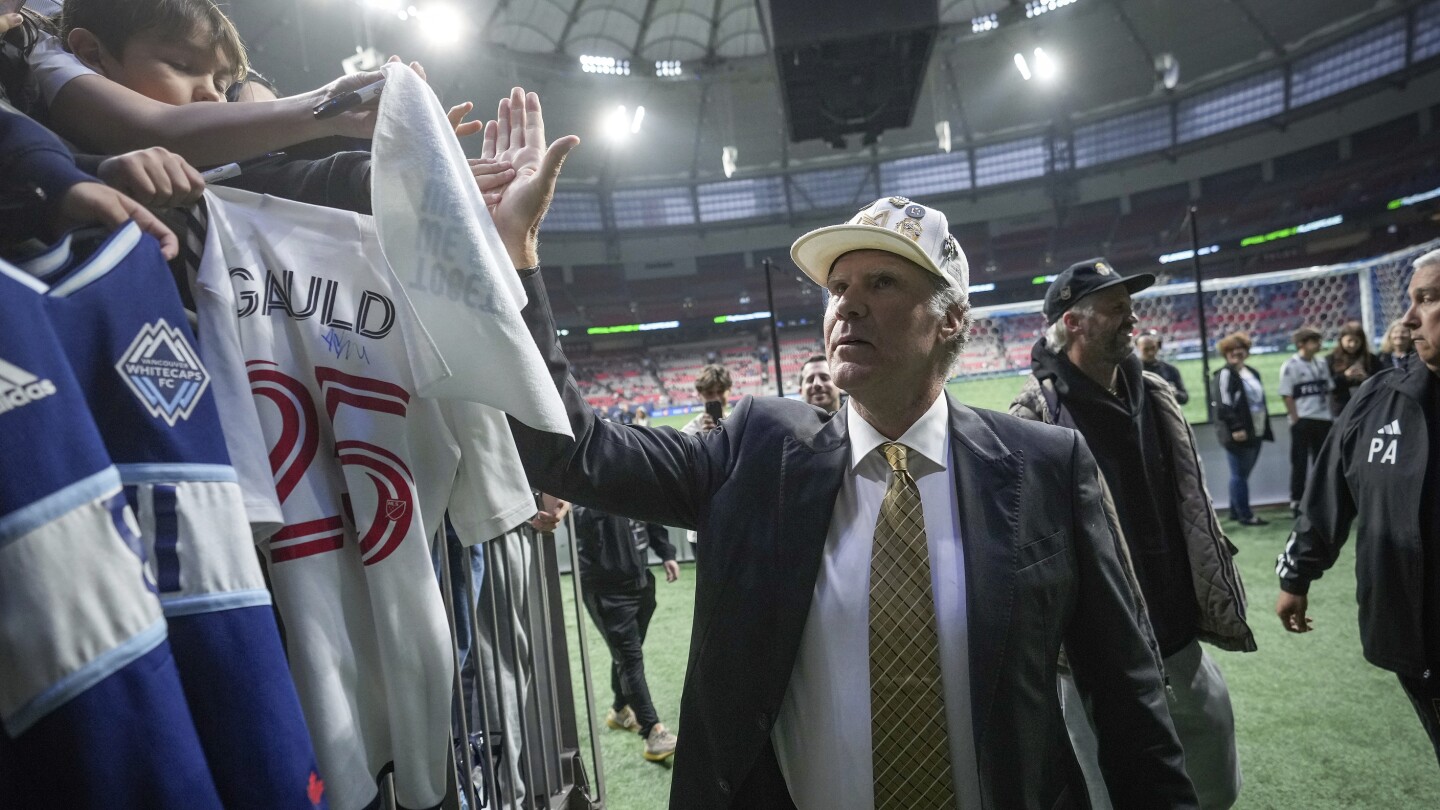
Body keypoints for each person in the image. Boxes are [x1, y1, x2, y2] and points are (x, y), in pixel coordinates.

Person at [478, 86, 1196, 810]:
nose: (846, 303)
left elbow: (1129, 699)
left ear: (949, 322)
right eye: (836, 287)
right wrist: (513, 258)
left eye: (882, 283)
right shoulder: (754, 450)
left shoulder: (1047, 465)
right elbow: (573, 452)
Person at [1011, 258, 1253, 810]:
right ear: (1074, 321)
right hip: (1095, 651)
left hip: (1176, 628)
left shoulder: (1157, 392)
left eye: (1130, 306)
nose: (1133, 317)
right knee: (1109, 793)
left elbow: (1189, 502)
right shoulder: (1036, 414)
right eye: (1116, 308)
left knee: (1213, 781)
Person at [1277, 247, 1440, 767]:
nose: (1409, 317)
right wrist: (1295, 575)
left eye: (1429, 298)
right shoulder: (1377, 399)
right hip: (1419, 634)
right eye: (1411, 300)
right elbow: (1327, 495)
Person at [573, 505, 681, 762]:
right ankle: (653, 732)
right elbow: (579, 522)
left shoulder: (629, 471)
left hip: (641, 579)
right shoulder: (587, 480)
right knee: (630, 658)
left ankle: (621, 710)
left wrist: (665, 552)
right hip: (608, 589)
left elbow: (649, 510)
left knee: (626, 654)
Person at [1212, 332, 1274, 526]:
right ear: (1225, 353)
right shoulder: (1224, 374)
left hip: (1256, 427)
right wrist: (1236, 427)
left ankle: (1235, 511)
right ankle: (1245, 515)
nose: (1236, 353)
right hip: (1237, 431)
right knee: (1239, 474)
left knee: (1243, 474)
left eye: (1241, 349)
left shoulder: (1252, 372)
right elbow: (1224, 404)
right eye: (1231, 350)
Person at [1279, 327, 1334, 516]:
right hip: (1303, 420)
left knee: (1322, 462)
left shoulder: (1321, 363)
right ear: (1302, 344)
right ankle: (1297, 501)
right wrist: (1295, 418)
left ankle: (1321, 499)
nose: (1319, 345)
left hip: (1323, 419)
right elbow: (1286, 394)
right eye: (1314, 341)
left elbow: (1328, 388)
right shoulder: (1290, 365)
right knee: (1300, 462)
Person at [1328, 320, 1381, 414]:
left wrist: (1366, 378)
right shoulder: (1331, 359)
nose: (1353, 345)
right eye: (1349, 341)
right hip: (1341, 410)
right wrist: (1345, 376)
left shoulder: (1372, 359)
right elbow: (1327, 385)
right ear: (1341, 340)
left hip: (1368, 408)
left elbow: (1381, 381)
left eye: (1356, 341)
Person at [1137, 331, 1189, 405]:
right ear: (1138, 348)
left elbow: (1185, 398)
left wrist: (1174, 393)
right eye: (1146, 349)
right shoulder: (1133, 371)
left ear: (1158, 346)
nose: (1150, 352)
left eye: (1153, 348)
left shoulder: (1171, 369)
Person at [681, 363, 730, 434]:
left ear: (729, 391)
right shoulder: (688, 434)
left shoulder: (740, 424)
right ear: (699, 394)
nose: (716, 398)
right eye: (709, 393)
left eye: (720, 391)